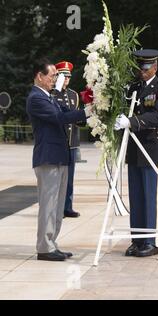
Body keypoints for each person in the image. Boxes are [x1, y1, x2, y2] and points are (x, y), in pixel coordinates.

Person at [26, 58, 92, 261]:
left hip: (60, 157)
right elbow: (59, 118)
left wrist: (89, 110)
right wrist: (87, 111)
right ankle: (44, 247)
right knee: (48, 204)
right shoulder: (37, 98)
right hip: (48, 158)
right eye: (52, 75)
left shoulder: (49, 96)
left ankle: (51, 244)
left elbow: (69, 113)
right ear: (40, 76)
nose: (56, 78)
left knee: (57, 205)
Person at [114, 49, 158, 257]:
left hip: (150, 147)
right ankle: (137, 240)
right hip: (133, 146)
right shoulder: (133, 88)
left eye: (146, 68)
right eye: (140, 67)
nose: (142, 71)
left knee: (149, 195)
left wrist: (132, 122)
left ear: (155, 67)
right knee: (136, 196)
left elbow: (157, 116)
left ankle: (151, 240)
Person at [52, 61, 83, 218]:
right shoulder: (52, 94)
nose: (66, 79)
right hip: (59, 142)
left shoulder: (74, 95)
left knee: (69, 179)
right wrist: (56, 89)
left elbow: (76, 115)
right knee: (57, 178)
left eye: (68, 76)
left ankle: (67, 207)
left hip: (71, 142)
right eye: (63, 76)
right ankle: (56, 208)